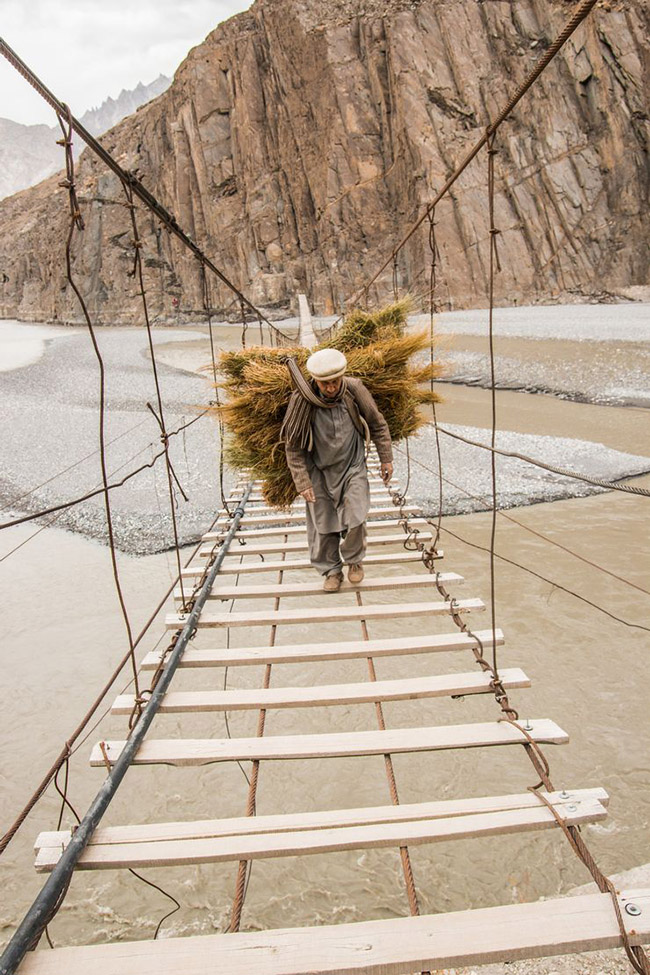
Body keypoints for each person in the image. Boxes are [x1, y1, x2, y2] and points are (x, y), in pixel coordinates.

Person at [281, 348, 393, 592]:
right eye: (325, 383)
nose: (331, 387)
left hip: (352, 464)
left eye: (335, 382)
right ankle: (331, 570)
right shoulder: (301, 399)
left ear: (342, 376)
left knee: (356, 514)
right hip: (317, 469)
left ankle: (354, 561)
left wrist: (386, 458)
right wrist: (302, 482)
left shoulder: (354, 389)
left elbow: (377, 423)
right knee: (323, 522)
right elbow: (292, 446)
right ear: (315, 381)